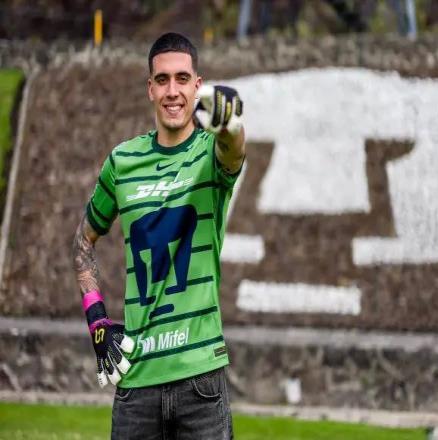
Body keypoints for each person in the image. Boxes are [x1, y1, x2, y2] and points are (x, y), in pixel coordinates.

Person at [72, 32, 245, 440]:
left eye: (182, 79)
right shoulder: (122, 162)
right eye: (162, 80)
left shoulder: (210, 152)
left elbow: (234, 150)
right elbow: (82, 242)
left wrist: (231, 125)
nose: (172, 91)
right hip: (137, 383)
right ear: (150, 88)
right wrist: (97, 319)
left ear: (197, 86)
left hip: (201, 381)